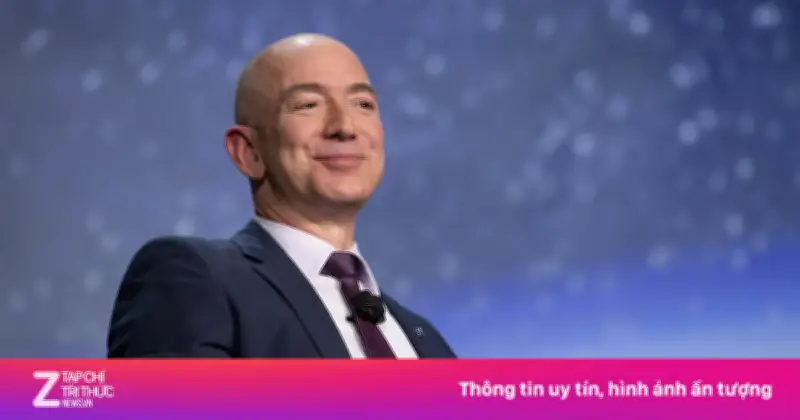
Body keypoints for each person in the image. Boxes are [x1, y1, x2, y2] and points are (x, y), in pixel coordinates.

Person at [106, 33, 456, 358]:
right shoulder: (193, 280)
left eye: (363, 104)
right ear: (249, 152)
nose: (345, 127)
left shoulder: (426, 340)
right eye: (308, 104)